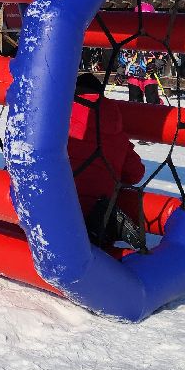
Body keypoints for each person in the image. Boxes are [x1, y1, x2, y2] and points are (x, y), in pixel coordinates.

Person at [67, 73, 148, 251]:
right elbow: (136, 173)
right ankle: (109, 224)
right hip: (95, 210)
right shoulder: (116, 132)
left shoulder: (57, 121)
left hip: (54, 204)